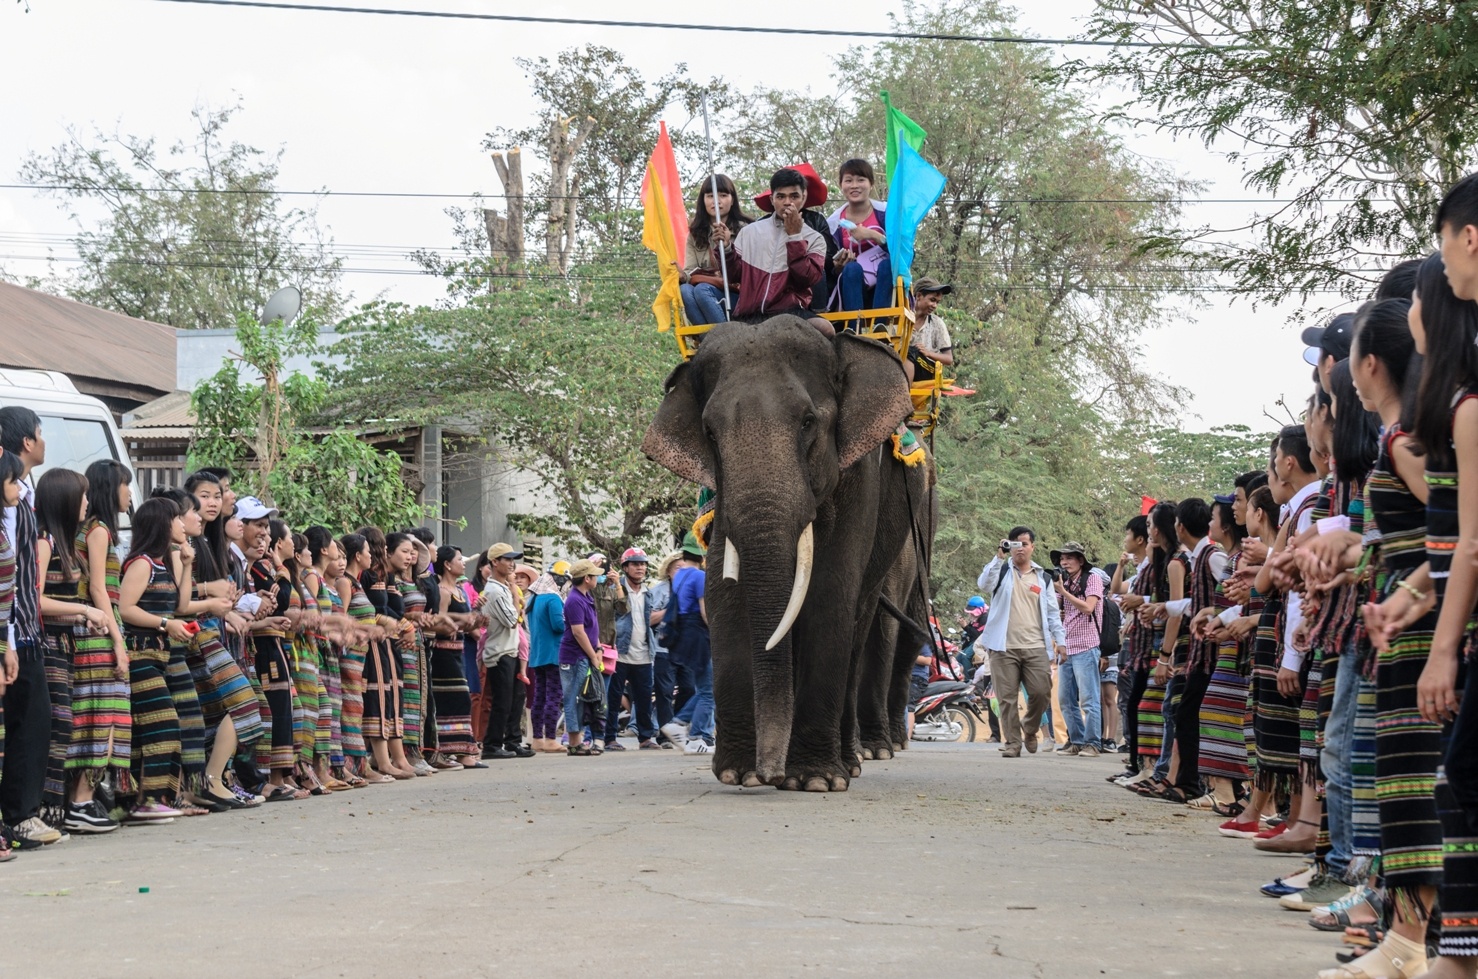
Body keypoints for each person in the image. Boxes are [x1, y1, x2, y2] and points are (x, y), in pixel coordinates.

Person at [0, 407, 60, 846]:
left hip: (23, 625)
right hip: (12, 628)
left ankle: (22, 813)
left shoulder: (23, 490)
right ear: (26, 442)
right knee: (29, 717)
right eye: (41, 434)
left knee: (35, 717)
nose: (44, 441)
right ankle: (19, 815)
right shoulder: (10, 494)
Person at [117, 497, 188, 823]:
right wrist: (165, 624)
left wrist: (187, 564)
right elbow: (127, 608)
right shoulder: (142, 562)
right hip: (140, 653)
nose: (183, 524)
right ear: (162, 523)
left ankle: (145, 799)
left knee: (153, 728)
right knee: (163, 724)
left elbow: (181, 605)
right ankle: (147, 800)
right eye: (176, 518)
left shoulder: (162, 563)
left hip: (157, 655)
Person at [974, 526, 1066, 758]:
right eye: (1015, 544)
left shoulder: (1042, 577)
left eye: (1024, 544)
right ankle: (1013, 743)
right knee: (1006, 698)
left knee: (1041, 692)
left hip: (1035, 646)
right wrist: (998, 557)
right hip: (1003, 647)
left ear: (1032, 547)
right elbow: (984, 584)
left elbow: (1053, 613)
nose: (1020, 548)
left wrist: (1061, 642)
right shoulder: (1002, 572)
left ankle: (1030, 727)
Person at [715, 167, 833, 336]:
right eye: (781, 196)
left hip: (791, 313)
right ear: (772, 199)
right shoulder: (750, 232)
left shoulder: (815, 238)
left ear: (804, 197)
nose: (787, 202)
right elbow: (734, 276)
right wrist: (726, 248)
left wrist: (794, 237)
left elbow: (806, 279)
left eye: (794, 196)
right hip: (749, 314)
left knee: (826, 329)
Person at [1049, 540, 1104, 757]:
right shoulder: (1065, 583)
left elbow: (1089, 608)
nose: (1065, 562)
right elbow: (1054, 607)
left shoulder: (1093, 579)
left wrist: (1063, 591)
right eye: (1062, 558)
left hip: (1087, 646)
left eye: (1070, 557)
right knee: (1065, 699)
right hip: (1066, 648)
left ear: (1081, 560)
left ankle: (1093, 743)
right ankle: (1077, 741)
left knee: (1089, 699)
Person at [661, 533, 715, 755]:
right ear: (702, 554)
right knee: (709, 690)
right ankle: (695, 736)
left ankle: (681, 723)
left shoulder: (680, 575)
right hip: (698, 633)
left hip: (684, 634)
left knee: (704, 687)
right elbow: (705, 612)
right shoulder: (699, 577)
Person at [606, 547, 660, 750]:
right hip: (620, 652)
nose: (641, 568)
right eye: (636, 564)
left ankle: (645, 738)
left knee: (645, 699)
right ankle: (610, 738)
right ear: (625, 567)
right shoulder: (614, 589)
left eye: (643, 564)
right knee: (613, 697)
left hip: (644, 653)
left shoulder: (648, 592)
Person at [479, 542, 531, 760]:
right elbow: (512, 620)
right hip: (499, 652)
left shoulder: (502, 589)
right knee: (502, 701)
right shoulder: (495, 591)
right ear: (494, 562)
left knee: (514, 699)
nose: (511, 564)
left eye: (513, 559)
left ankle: (511, 741)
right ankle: (492, 744)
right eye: (506, 559)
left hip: (509, 650)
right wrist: (515, 596)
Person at [680, 173, 750, 325]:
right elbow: (689, 271)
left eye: (723, 195)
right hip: (708, 294)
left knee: (702, 290)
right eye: (710, 196)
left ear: (732, 200)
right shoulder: (695, 234)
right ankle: (710, 340)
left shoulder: (746, 230)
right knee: (685, 290)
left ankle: (723, 339)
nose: (716, 201)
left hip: (739, 297)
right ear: (703, 201)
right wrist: (681, 275)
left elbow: (749, 272)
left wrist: (726, 246)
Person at [827, 158, 893, 316]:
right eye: (848, 180)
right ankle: (854, 328)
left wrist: (874, 235)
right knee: (851, 269)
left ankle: (880, 325)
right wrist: (837, 267)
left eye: (861, 180)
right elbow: (828, 269)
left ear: (871, 184)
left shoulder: (887, 213)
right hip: (852, 286)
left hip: (886, 286)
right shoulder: (833, 223)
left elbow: (906, 253)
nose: (854, 185)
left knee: (887, 265)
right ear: (841, 185)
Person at [559, 558, 606, 756]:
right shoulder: (575, 600)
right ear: (587, 578)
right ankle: (574, 742)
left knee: (582, 698)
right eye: (595, 575)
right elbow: (578, 632)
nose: (598, 578)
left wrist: (598, 648)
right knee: (573, 698)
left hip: (584, 655)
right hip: (574, 657)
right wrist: (592, 656)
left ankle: (577, 740)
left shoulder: (586, 597)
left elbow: (591, 629)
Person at [526, 563, 568, 753]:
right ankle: (551, 739)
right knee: (554, 696)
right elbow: (559, 625)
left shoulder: (535, 599)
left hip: (537, 655)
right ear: (559, 579)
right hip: (554, 654)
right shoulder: (553, 598)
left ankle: (537, 739)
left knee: (539, 697)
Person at [906, 278, 955, 386]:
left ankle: (905, 396)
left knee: (909, 351)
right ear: (918, 296)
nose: (935, 305)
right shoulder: (902, 317)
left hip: (926, 370)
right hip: (899, 364)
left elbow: (948, 359)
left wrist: (928, 353)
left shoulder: (937, 323)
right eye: (932, 300)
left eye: (937, 302)